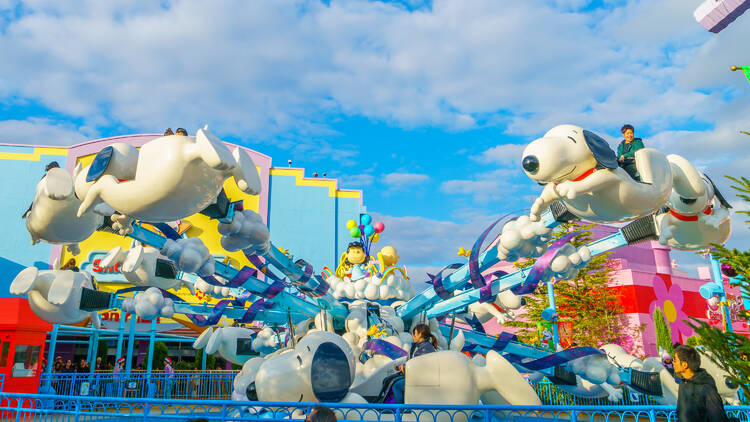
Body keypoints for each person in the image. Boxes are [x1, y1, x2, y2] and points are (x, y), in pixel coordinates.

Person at [673, 345, 729, 421]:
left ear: (684, 365)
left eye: (675, 360)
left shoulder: (707, 389)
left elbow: (718, 418)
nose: (673, 363)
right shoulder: (683, 385)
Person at [391, 324, 438, 404]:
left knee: (396, 386)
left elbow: (419, 363)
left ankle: (400, 410)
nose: (412, 335)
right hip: (415, 376)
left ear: (420, 334)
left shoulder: (426, 347)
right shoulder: (418, 346)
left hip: (421, 379)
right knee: (389, 380)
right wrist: (401, 366)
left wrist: (405, 367)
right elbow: (411, 360)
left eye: (414, 333)